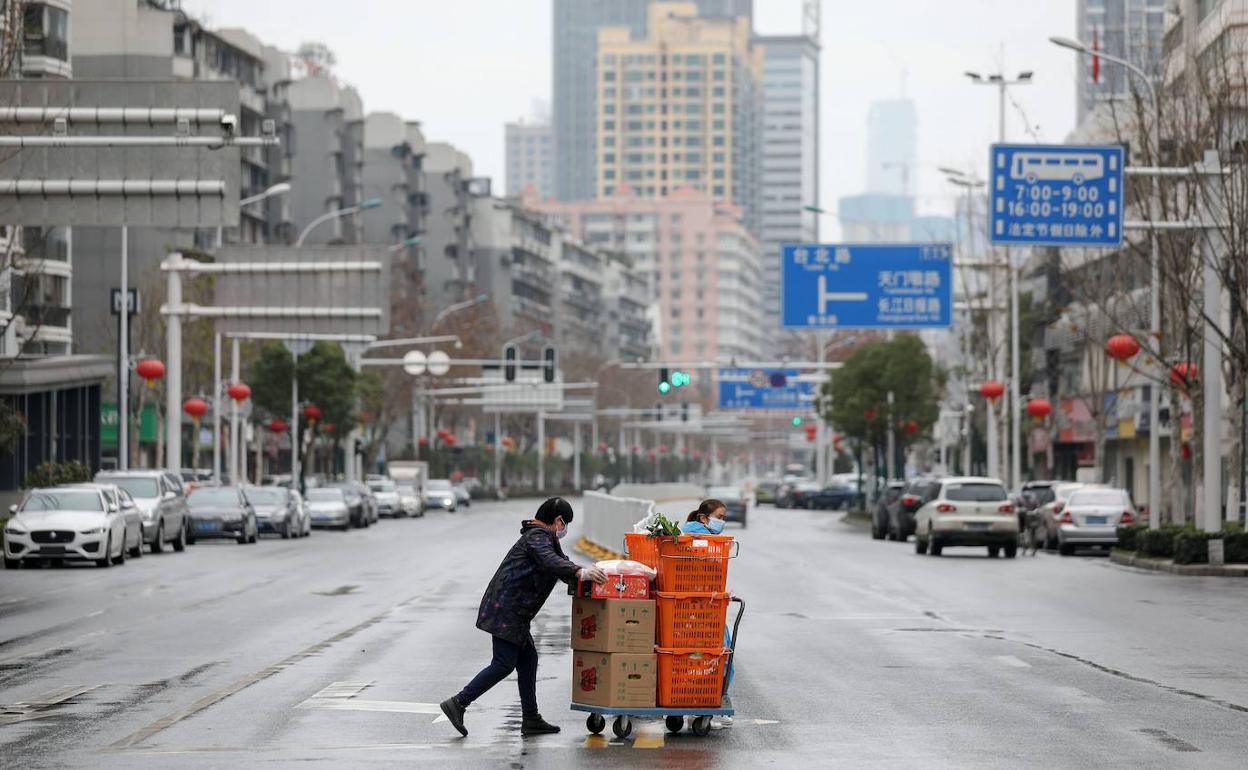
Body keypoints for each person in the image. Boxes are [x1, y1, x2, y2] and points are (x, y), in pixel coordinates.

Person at [440, 497, 606, 737]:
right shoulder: (537, 537)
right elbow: (551, 562)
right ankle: (458, 703)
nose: (564, 530)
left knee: (528, 660)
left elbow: (560, 563)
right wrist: (581, 572)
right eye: (565, 524)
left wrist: (582, 574)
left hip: (513, 611)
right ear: (558, 520)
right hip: (507, 610)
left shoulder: (541, 536)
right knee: (503, 664)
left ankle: (531, 719)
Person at [678, 499, 734, 725]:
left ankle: (685, 699)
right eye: (719, 517)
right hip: (701, 607)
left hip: (687, 607)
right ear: (704, 518)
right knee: (716, 653)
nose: (722, 522)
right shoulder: (701, 540)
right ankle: (710, 698)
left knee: (686, 655)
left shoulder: (684, 534)